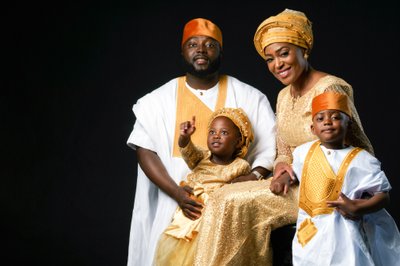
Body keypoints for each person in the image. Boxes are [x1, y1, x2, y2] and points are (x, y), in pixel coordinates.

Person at [126, 18, 276, 266]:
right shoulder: (156, 101)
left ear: (220, 52)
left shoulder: (250, 96)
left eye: (210, 45)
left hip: (229, 213)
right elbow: (144, 150)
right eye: (193, 44)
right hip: (172, 204)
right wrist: (176, 193)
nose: (201, 50)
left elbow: (271, 146)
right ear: (183, 51)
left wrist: (253, 177)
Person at [253, 8, 374, 194]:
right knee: (224, 195)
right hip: (289, 181)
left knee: (235, 203)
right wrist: (280, 167)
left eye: (284, 53)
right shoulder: (283, 96)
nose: (277, 64)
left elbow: (356, 147)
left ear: (304, 50)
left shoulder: (327, 88)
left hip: (327, 188)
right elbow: (284, 150)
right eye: (270, 59)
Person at [274, 91, 400, 265]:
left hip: (343, 230)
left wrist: (357, 207)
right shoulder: (303, 152)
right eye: (320, 119)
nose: (327, 122)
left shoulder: (363, 160)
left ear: (348, 124)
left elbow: (383, 196)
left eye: (335, 117)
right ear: (313, 128)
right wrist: (283, 180)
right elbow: (295, 173)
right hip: (310, 229)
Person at [154, 107, 254, 266]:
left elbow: (239, 190)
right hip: (188, 214)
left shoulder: (240, 166)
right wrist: (185, 138)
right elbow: (188, 151)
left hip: (210, 218)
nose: (216, 136)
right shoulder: (202, 157)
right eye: (212, 132)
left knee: (202, 256)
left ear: (238, 142)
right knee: (177, 254)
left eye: (224, 133)